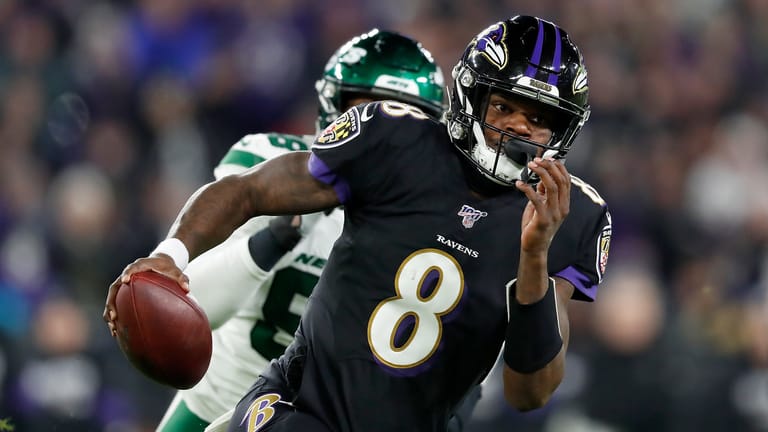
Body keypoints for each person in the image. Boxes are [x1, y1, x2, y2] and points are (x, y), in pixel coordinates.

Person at [105, 15, 612, 432]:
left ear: (564, 130)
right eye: (505, 107)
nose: (520, 129)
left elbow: (531, 390)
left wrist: (534, 255)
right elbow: (250, 190)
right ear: (471, 98)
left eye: (540, 118)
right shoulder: (394, 140)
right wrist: (170, 255)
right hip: (297, 407)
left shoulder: (573, 216)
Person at [150, 30, 480, 432]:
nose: (380, 131)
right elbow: (192, 299)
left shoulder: (444, 211)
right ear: (332, 108)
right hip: (222, 394)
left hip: (335, 415)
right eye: (367, 110)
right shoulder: (272, 164)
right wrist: (267, 244)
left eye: (402, 119)